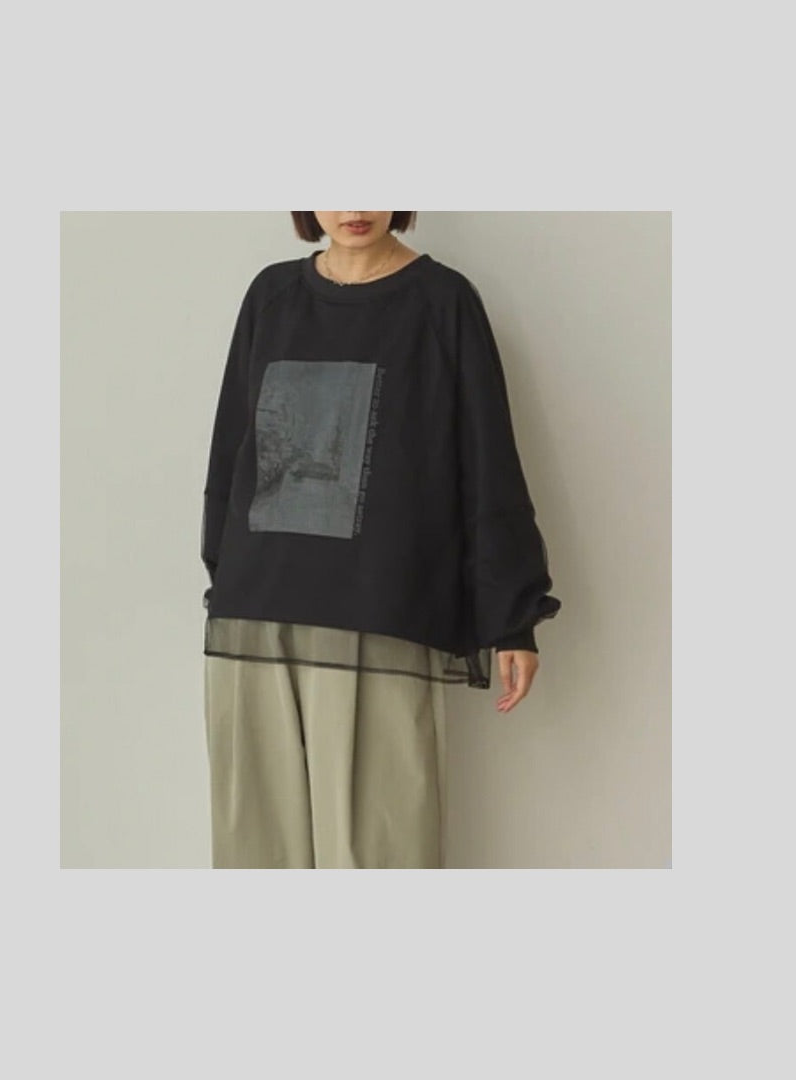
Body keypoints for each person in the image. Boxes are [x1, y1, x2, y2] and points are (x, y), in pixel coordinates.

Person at [201, 211, 561, 869]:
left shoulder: (442, 302)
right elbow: (233, 447)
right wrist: (224, 577)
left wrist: (514, 618)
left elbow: (486, 458)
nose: (354, 205)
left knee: (380, 853)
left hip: (383, 607)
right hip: (258, 608)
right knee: (257, 849)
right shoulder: (270, 297)